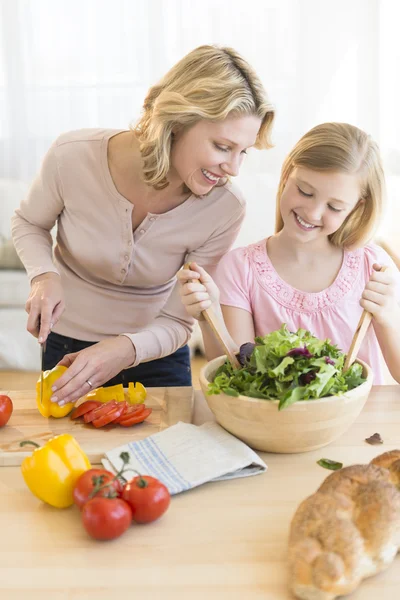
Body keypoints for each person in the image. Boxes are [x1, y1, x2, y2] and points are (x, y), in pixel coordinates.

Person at [11, 44, 275, 405]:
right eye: (222, 146)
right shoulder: (71, 155)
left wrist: (124, 349)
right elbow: (28, 221)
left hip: (157, 352)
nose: (234, 168)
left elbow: (180, 319)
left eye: (243, 151)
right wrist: (44, 275)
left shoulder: (225, 207)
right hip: (68, 345)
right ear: (178, 121)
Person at [178, 122, 400, 384]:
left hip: (358, 422)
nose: (313, 213)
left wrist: (388, 317)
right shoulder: (240, 267)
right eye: (305, 192)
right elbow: (234, 377)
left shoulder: (372, 266)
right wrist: (209, 316)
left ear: (356, 207)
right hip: (275, 423)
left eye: (335, 207)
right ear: (286, 176)